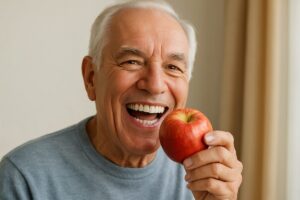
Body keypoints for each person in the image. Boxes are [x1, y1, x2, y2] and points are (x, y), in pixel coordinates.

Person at [0, 0, 243, 199]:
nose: (155, 84)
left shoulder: (202, 177)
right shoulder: (25, 177)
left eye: (173, 67)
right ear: (91, 78)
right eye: (132, 62)